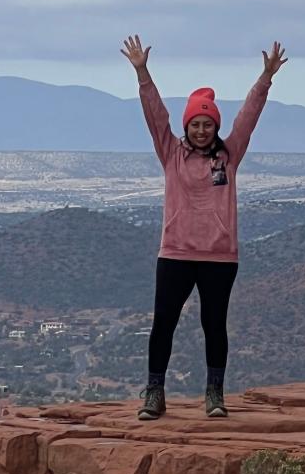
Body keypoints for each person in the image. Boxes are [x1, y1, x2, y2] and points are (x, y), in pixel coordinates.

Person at [120, 34, 287, 420]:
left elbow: (249, 116)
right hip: (175, 252)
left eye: (207, 124)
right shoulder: (171, 153)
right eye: (194, 124)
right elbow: (155, 115)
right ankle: (154, 392)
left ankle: (214, 393)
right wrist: (142, 72)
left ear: (215, 127)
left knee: (214, 324)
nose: (200, 130)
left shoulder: (229, 155)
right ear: (186, 126)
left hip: (219, 256)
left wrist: (265, 78)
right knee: (164, 322)